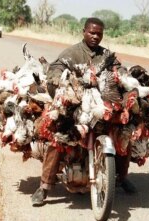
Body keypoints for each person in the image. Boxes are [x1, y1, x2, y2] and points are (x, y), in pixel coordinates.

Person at [32, 17, 136, 206]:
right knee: (59, 137)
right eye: (92, 32)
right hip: (77, 105)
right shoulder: (72, 53)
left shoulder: (107, 55)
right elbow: (56, 68)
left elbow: (119, 70)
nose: (95, 36)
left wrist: (124, 78)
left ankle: (121, 177)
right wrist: (57, 80)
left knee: (123, 136)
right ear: (84, 31)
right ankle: (44, 186)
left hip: (102, 104)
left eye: (99, 33)